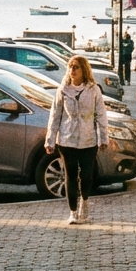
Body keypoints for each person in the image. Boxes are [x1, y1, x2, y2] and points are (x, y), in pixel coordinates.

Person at [45, 54, 109, 224]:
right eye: (70, 67)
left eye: (76, 67)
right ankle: (73, 211)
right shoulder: (63, 90)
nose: (72, 70)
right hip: (67, 140)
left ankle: (85, 202)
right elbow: (55, 116)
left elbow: (101, 115)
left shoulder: (93, 89)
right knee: (70, 176)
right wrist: (50, 140)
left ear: (83, 70)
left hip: (88, 140)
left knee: (87, 175)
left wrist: (103, 138)